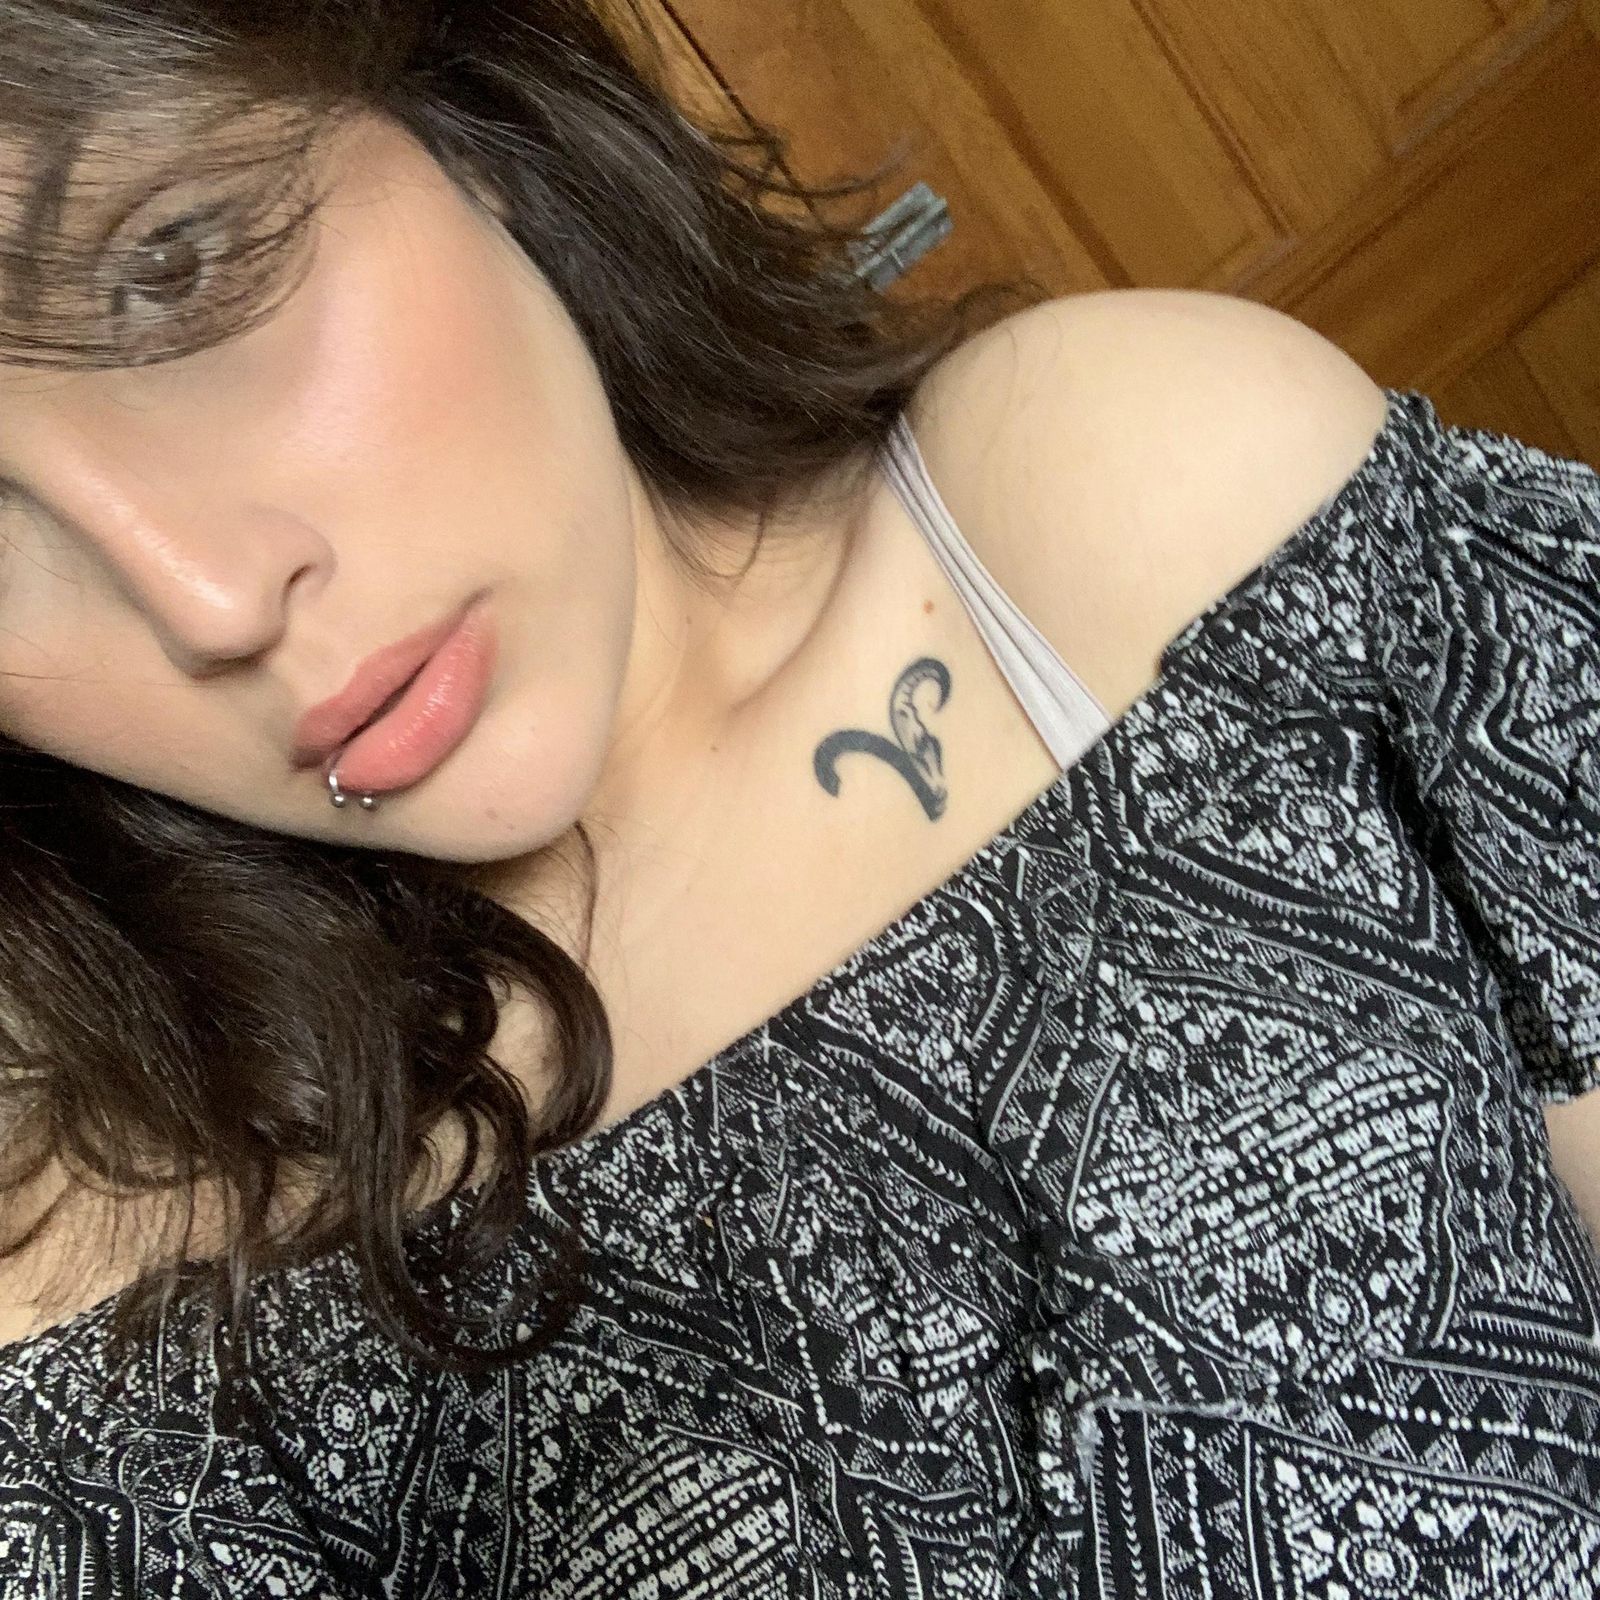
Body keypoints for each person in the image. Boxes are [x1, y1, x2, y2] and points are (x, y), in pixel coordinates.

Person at [0, 0, 1595, 1594]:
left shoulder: (1123, 511)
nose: (209, 599)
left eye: (171, 270)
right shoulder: (90, 1265)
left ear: (431, 92)